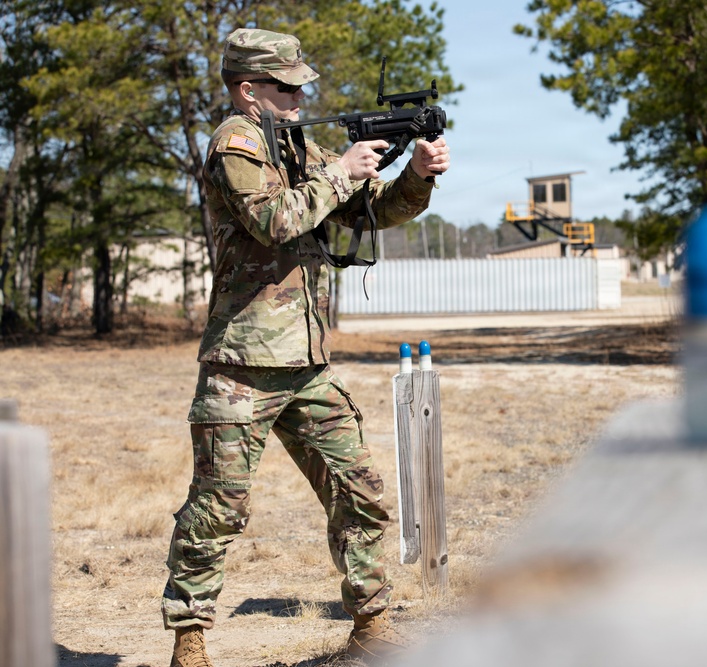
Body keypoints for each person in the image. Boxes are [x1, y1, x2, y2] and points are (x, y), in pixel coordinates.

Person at [161, 27, 450, 667]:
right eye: (285, 87)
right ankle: (190, 639)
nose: (298, 97)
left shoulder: (298, 146)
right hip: (244, 363)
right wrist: (343, 170)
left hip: (307, 364)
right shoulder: (235, 143)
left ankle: (371, 628)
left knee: (361, 492)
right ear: (247, 89)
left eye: (300, 87)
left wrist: (416, 177)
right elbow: (273, 220)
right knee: (216, 510)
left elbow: (365, 211)